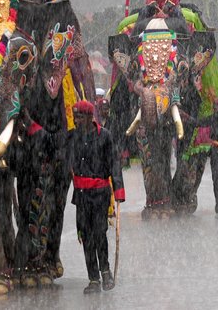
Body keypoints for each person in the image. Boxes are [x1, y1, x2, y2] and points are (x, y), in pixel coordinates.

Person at [68, 100, 125, 294]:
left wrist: (118, 191)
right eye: (75, 116)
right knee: (86, 236)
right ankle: (93, 278)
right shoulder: (72, 137)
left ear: (90, 117)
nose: (76, 120)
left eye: (80, 117)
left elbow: (114, 164)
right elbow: (55, 148)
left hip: (100, 195)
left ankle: (106, 271)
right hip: (81, 196)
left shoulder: (105, 136)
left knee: (100, 234)